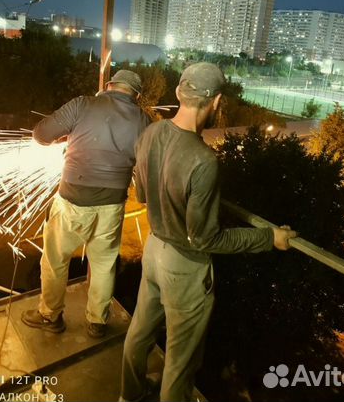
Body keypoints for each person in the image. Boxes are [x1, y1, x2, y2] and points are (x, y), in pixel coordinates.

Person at [119, 63, 297, 402]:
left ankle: (129, 395)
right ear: (215, 102)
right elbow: (204, 238)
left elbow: (141, 195)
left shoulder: (150, 134)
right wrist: (268, 238)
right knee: (180, 360)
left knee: (139, 333)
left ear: (178, 93)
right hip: (184, 268)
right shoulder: (203, 161)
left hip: (154, 250)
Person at [22, 70, 151, 338]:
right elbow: (144, 168)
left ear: (109, 86)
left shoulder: (83, 104)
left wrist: (62, 137)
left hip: (72, 200)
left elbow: (40, 134)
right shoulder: (143, 120)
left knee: (56, 259)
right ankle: (97, 322)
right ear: (136, 95)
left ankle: (50, 316)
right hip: (113, 204)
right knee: (104, 264)